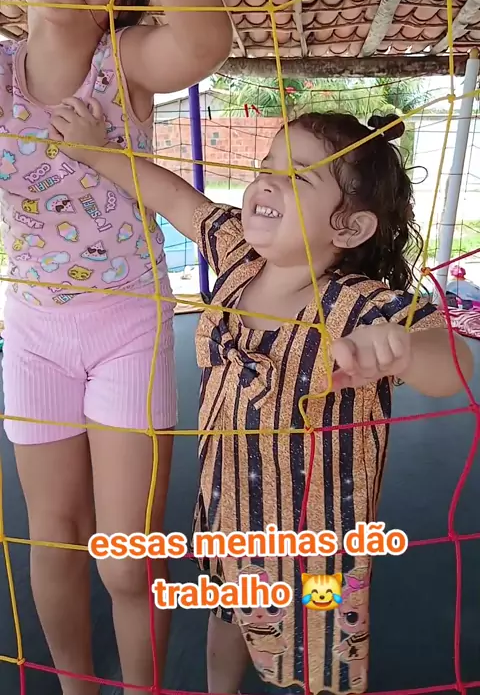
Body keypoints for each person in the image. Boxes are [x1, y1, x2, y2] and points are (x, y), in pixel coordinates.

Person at [49, 103, 474, 695]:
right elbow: (176, 199)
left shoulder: (360, 304)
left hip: (316, 546)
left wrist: (400, 349)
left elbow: (453, 362)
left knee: (323, 653)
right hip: (228, 516)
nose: (267, 182)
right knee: (229, 619)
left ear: (350, 229)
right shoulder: (238, 260)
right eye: (266, 167)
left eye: (297, 176)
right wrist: (98, 153)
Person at [0, 0, 232, 693]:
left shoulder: (124, 62)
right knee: (53, 538)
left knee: (126, 558)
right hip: (33, 332)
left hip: (128, 328)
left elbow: (206, 39)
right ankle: (74, 685)